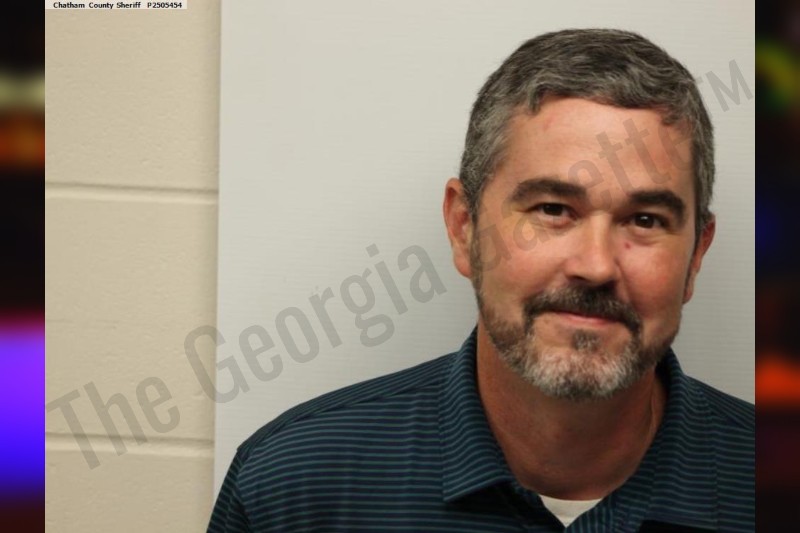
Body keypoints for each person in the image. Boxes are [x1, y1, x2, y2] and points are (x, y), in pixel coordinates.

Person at [207, 29, 754, 532]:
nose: (596, 266)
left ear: (696, 256)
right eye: (552, 209)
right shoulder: (290, 489)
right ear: (463, 228)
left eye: (646, 220)